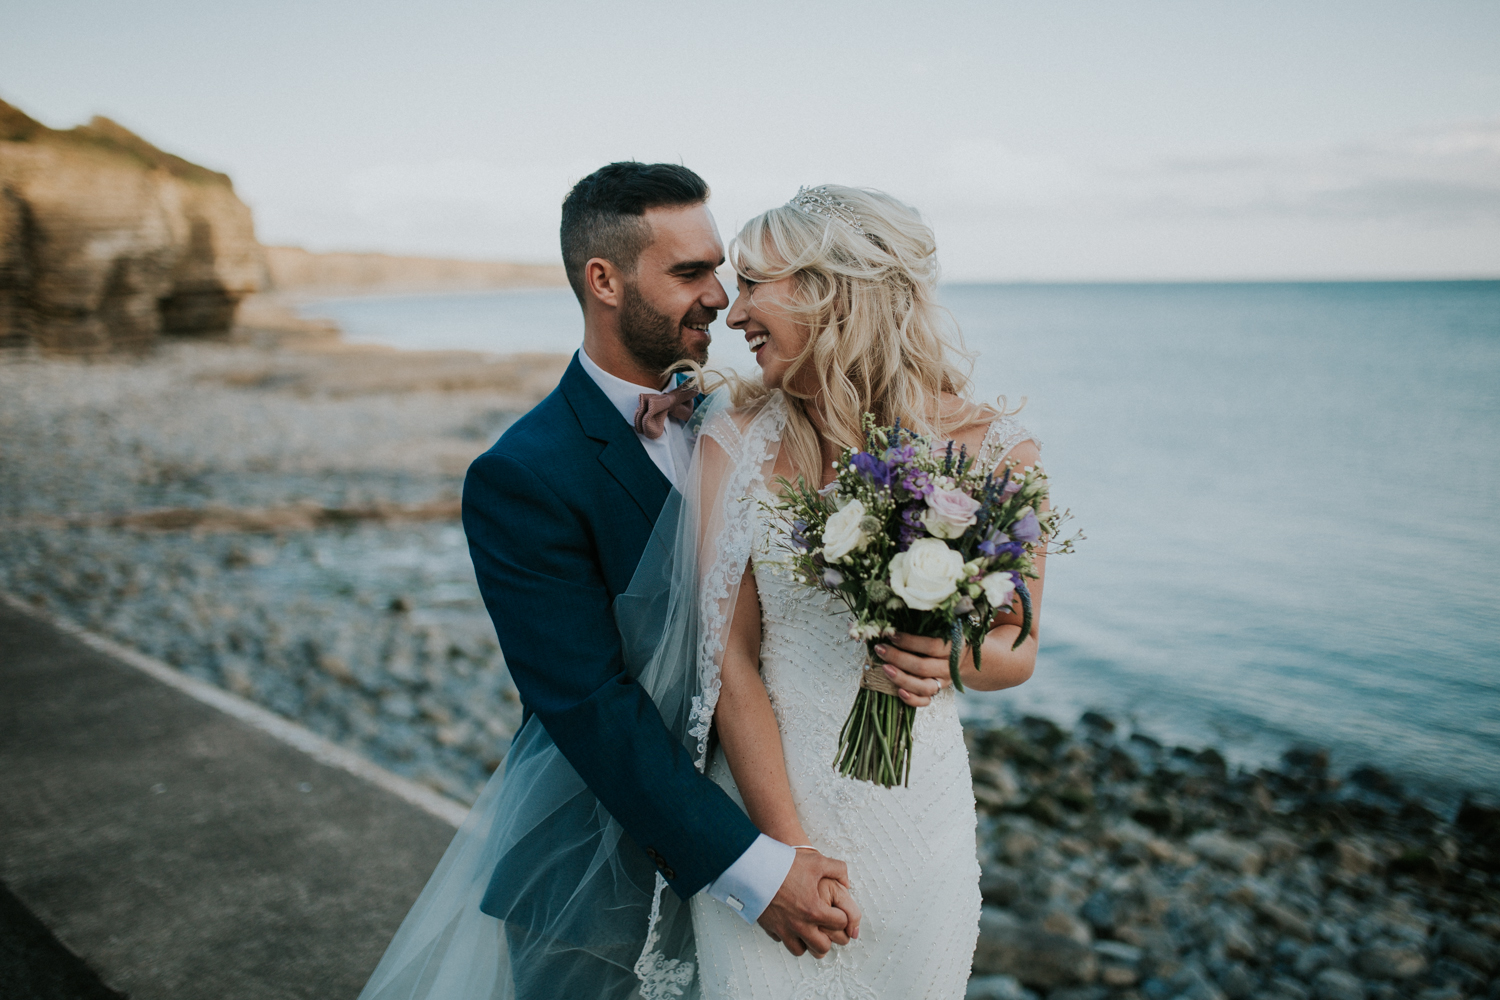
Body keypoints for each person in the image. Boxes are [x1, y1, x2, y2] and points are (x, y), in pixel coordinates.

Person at [357, 163, 859, 1000]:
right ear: (604, 280)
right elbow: (589, 704)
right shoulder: (522, 473)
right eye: (689, 273)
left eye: (721, 272)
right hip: (592, 879)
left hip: (777, 822)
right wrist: (753, 867)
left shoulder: (746, 422)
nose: (720, 298)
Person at [674, 184, 1048, 998]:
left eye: (753, 286)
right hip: (768, 812)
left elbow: (1016, 646)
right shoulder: (734, 441)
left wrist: (948, 654)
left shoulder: (994, 451)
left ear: (830, 289)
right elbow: (727, 659)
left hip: (917, 826)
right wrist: (783, 854)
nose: (734, 315)